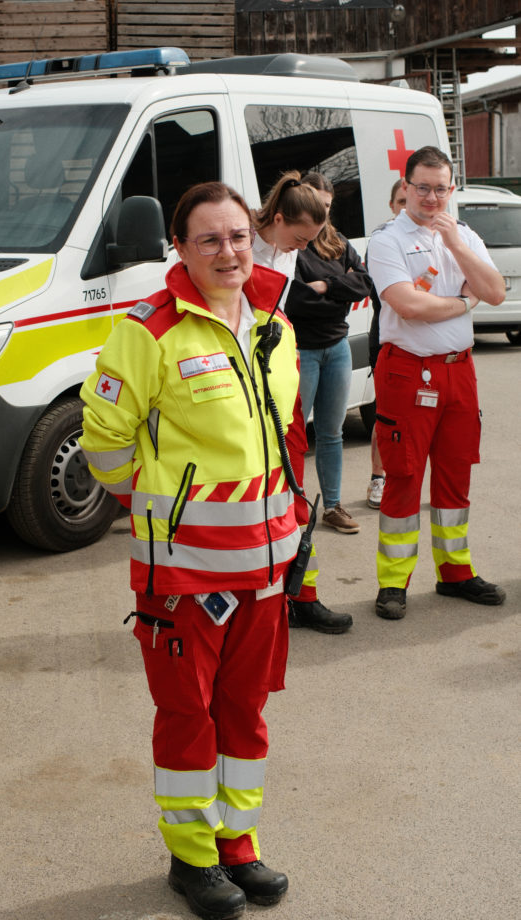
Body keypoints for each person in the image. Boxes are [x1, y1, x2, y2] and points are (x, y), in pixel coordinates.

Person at [80, 181, 299, 919]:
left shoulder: (273, 317)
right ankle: (191, 858)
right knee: (187, 716)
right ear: (179, 248)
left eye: (237, 235)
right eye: (208, 239)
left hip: (266, 569)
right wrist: (155, 514)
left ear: (254, 236)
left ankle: (239, 844)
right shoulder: (149, 331)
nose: (228, 251)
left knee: (245, 710)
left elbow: (282, 432)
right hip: (183, 573)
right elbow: (104, 439)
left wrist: (295, 515)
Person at [367, 145, 507, 620]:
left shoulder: (463, 235)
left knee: (455, 475)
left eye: (440, 189)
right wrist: (464, 304)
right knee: (403, 477)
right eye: (422, 187)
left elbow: (496, 291)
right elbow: (409, 305)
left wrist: (458, 248)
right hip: (408, 370)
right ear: (404, 187)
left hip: (459, 371)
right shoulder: (386, 239)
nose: (431, 197)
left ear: (451, 190)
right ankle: (392, 583)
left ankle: (455, 573)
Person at [252, 171, 353, 635]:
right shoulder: (241, 249)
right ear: (275, 219)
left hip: (280, 379)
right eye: (297, 239)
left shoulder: (285, 251)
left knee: (293, 494)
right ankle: (264, 598)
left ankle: (300, 594)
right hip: (244, 390)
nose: (300, 250)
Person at [283, 172, 373, 536]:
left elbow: (365, 282)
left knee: (332, 432)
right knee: (293, 433)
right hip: (300, 350)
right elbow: (294, 299)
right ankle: (290, 507)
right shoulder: (293, 245)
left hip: (337, 347)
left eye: (327, 208)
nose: (321, 216)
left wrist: (324, 286)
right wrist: (338, 292)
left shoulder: (337, 241)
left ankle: (333, 506)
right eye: (316, 206)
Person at [365, 179, 407, 510]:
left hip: (426, 343)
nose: (406, 208)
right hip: (387, 339)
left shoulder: (433, 240)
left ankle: (412, 477)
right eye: (401, 202)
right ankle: (378, 478)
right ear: (392, 206)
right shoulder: (382, 241)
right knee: (385, 415)